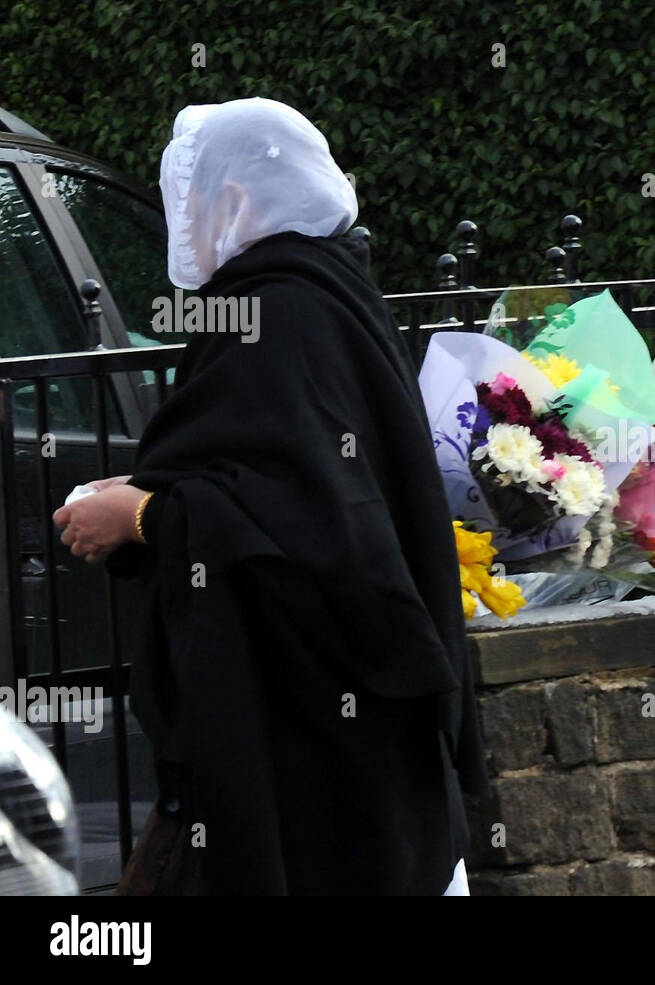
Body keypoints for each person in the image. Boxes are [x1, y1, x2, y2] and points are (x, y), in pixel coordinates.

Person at [51, 97, 489, 895]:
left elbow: (318, 524)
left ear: (237, 200)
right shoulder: (324, 289)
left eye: (194, 198)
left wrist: (142, 514)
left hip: (316, 743)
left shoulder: (277, 309)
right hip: (358, 742)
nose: (186, 220)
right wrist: (154, 492)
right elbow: (284, 472)